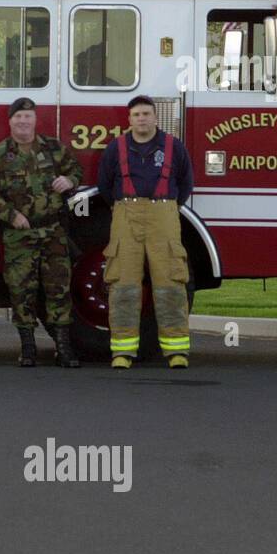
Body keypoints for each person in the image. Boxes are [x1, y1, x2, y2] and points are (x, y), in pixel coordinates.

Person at [0, 96, 83, 368]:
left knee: (58, 290)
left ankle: (64, 348)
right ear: (10, 121)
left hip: (53, 232)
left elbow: (76, 170)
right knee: (21, 292)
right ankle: (28, 348)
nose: (23, 121)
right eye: (18, 117)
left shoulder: (53, 148)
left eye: (28, 117)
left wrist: (70, 180)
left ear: (35, 120)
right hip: (19, 236)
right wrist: (11, 214)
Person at [96, 95, 195, 369]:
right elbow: (105, 185)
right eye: (137, 114)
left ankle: (176, 352)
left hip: (164, 215)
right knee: (123, 286)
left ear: (155, 117)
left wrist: (163, 207)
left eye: (146, 114)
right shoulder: (115, 149)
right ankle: (122, 352)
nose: (142, 118)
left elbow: (186, 183)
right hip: (126, 215)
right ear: (129, 119)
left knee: (171, 285)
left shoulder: (174, 147)